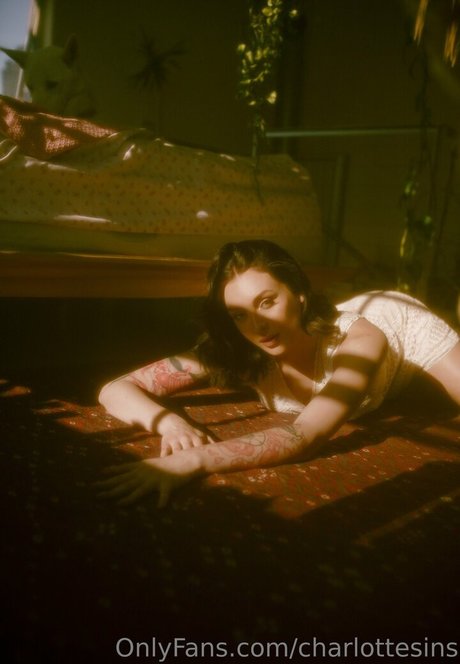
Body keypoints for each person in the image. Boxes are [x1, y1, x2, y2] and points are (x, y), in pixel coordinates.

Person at [96, 240, 460, 507]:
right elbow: (115, 388)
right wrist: (171, 425)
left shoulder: (362, 340)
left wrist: (189, 460)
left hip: (399, 325)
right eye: (240, 314)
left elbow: (305, 434)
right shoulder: (240, 347)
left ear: (299, 293)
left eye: (267, 302)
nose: (258, 326)